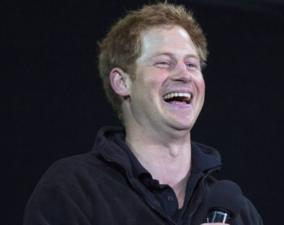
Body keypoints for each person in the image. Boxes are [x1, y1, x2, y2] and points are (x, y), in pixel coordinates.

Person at [24, 3, 263, 225]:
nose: (184, 75)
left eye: (192, 65)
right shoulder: (74, 189)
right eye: (164, 63)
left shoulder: (236, 211)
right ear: (122, 82)